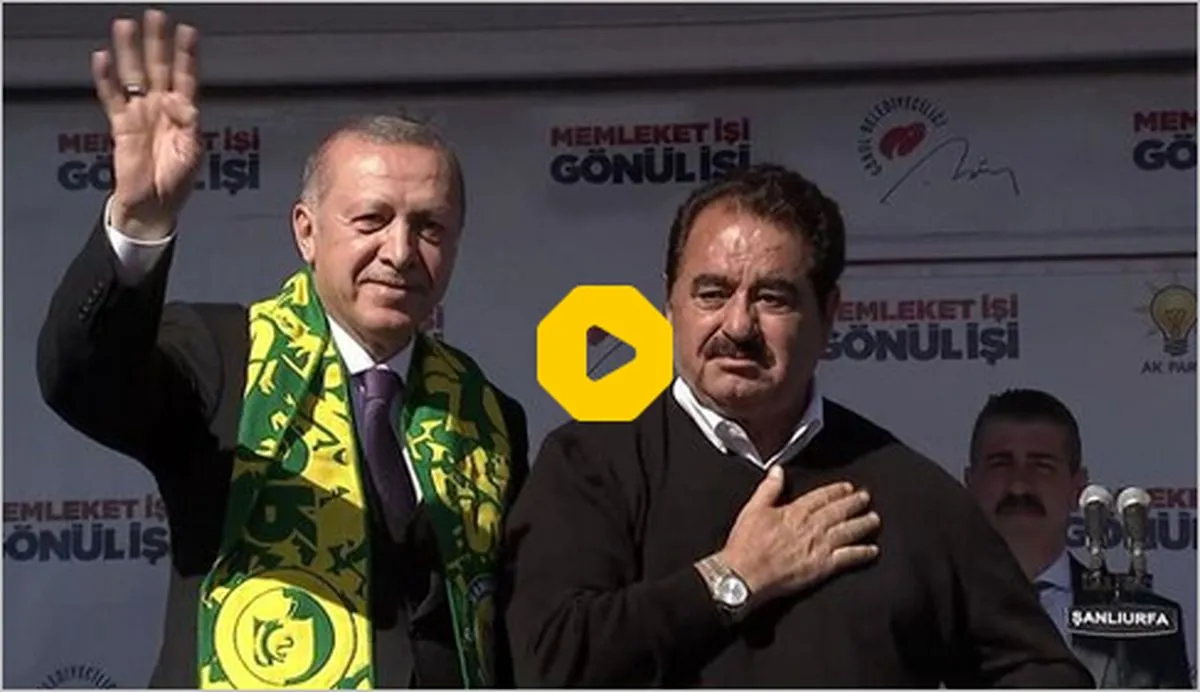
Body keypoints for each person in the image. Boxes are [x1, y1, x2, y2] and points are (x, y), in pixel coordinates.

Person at [37, 10, 529, 689]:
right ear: (306, 232)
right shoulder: (223, 357)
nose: (400, 251)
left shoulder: (488, 416)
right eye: (371, 219)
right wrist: (141, 222)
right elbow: (84, 380)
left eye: (430, 227)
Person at [501, 162, 1095, 687]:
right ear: (669, 301)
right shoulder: (591, 465)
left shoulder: (909, 494)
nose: (738, 325)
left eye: (773, 298)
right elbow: (550, 666)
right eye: (711, 293)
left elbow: (1041, 673)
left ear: (829, 314)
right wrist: (733, 578)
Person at [965, 388, 1193, 688]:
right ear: (970, 483)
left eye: (1041, 466)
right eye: (1001, 464)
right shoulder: (924, 610)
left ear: (1078, 488)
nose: (1019, 486)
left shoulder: (1149, 626)